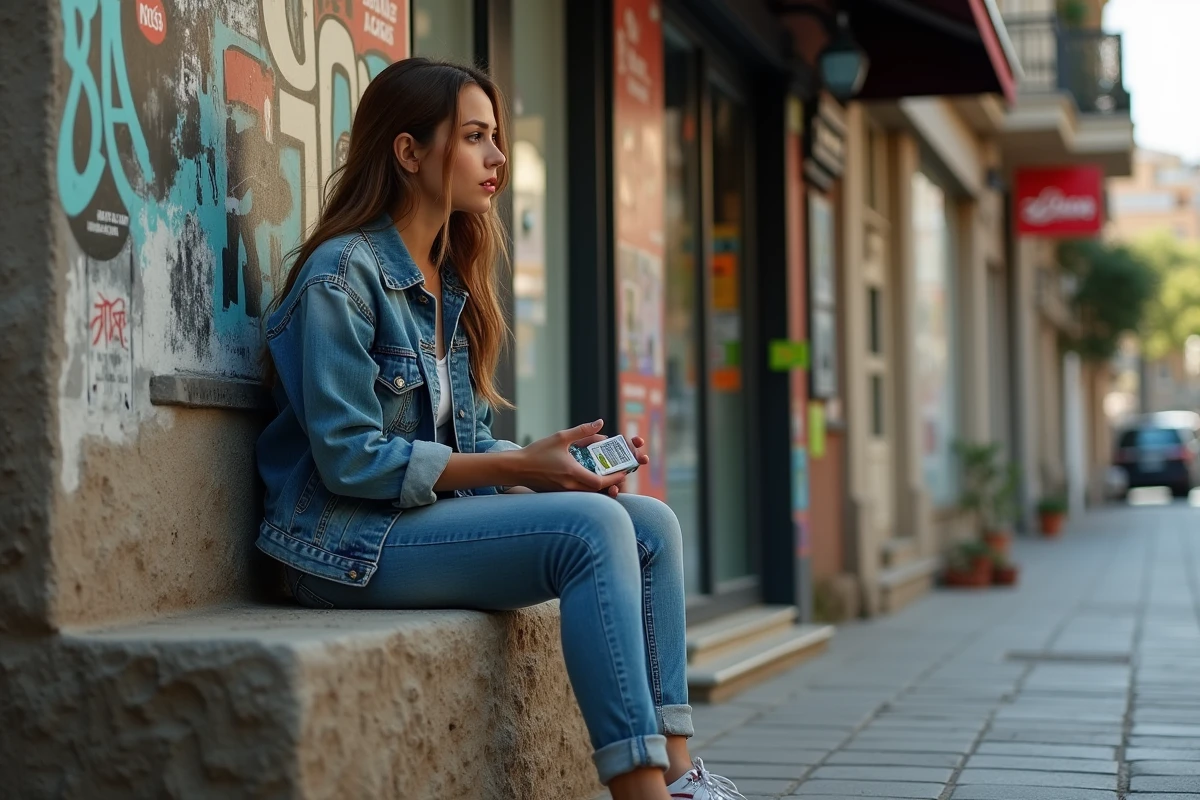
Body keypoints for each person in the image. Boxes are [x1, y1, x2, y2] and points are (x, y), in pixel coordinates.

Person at [255, 58, 747, 800]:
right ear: (410, 152)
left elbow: (470, 443)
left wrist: (549, 462)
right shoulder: (341, 277)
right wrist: (525, 474)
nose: (499, 157)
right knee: (589, 532)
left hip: (415, 525)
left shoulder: (447, 280)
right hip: (342, 547)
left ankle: (680, 776)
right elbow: (350, 460)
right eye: (476, 137)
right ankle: (641, 795)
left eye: (497, 137)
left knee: (649, 524)